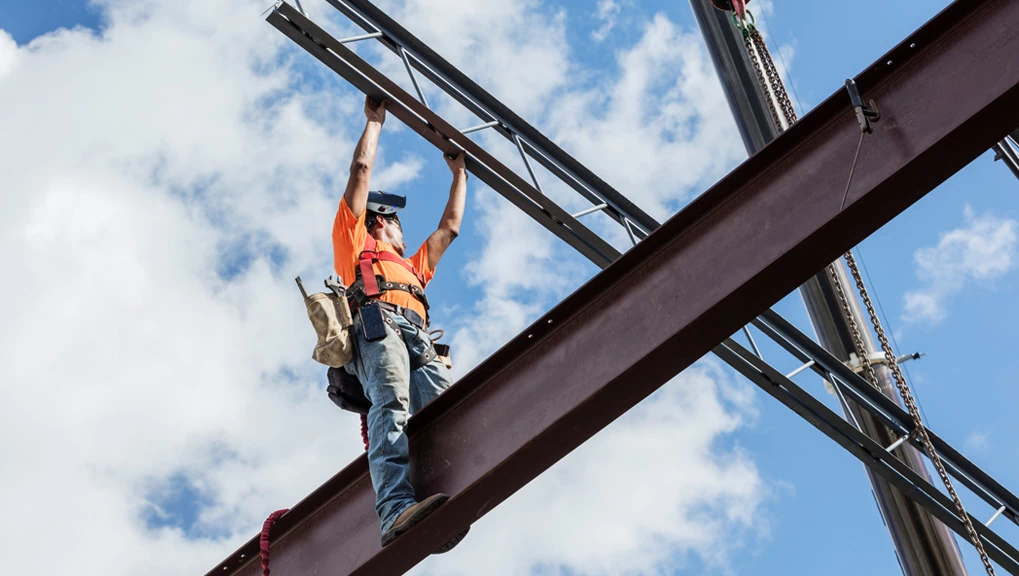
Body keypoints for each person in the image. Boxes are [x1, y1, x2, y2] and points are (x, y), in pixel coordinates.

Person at [332, 95, 468, 552]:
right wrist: (374, 122)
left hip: (418, 337)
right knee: (390, 405)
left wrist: (460, 175)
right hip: (379, 326)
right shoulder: (353, 242)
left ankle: (457, 487)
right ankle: (395, 509)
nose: (402, 230)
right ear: (381, 221)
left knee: (450, 410)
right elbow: (361, 174)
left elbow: (449, 228)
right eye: (396, 222)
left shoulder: (413, 267)